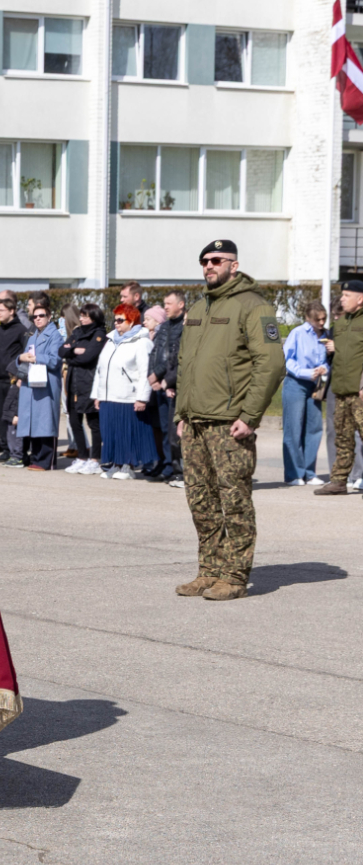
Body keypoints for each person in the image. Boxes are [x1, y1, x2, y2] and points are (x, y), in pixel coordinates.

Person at [174, 239, 282, 600]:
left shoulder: (254, 306)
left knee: (233, 498)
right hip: (194, 422)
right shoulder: (199, 307)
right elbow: (184, 362)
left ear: (234, 265)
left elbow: (271, 364)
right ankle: (209, 570)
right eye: (205, 260)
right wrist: (180, 413)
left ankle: (235, 576)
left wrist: (250, 416)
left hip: (228, 423)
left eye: (217, 260)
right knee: (200, 499)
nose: (209, 266)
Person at [92, 304, 155, 480]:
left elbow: (145, 372)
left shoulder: (142, 342)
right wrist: (98, 394)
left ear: (132, 320)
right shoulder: (110, 340)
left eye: (121, 320)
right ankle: (114, 464)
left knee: (126, 432)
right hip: (108, 395)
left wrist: (142, 398)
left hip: (128, 395)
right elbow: (101, 369)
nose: (116, 323)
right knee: (110, 432)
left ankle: (128, 465)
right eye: (115, 319)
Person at [316, 278, 363, 495]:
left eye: (346, 296)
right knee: (342, 438)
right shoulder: (341, 324)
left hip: (359, 391)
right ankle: (339, 481)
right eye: (342, 295)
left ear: (360, 298)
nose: (342, 299)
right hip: (341, 390)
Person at [281, 301, 329, 486]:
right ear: (308, 318)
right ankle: (294, 473)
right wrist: (306, 372)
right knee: (293, 429)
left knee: (314, 427)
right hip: (296, 383)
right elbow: (287, 359)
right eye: (318, 319)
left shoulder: (324, 335)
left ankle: (309, 472)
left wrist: (324, 368)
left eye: (324, 319)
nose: (321, 322)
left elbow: (327, 359)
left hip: (315, 386)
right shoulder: (298, 333)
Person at [15, 298, 64, 470]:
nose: (37, 319)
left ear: (49, 317)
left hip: (47, 384)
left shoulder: (55, 336)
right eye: (34, 316)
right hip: (32, 383)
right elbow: (25, 357)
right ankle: (35, 457)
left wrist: (36, 358)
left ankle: (46, 460)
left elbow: (55, 360)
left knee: (45, 422)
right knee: (34, 422)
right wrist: (19, 359)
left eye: (41, 316)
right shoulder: (32, 336)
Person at [60, 303, 106, 475]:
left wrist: (70, 354)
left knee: (93, 422)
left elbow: (88, 356)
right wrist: (73, 351)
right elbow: (61, 351)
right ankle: (82, 457)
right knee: (74, 421)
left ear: (94, 316)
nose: (81, 318)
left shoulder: (99, 334)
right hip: (73, 382)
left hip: (89, 383)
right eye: (81, 315)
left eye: (85, 316)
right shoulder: (77, 332)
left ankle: (95, 459)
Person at [0, 291, 28, 464]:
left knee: (14, 417)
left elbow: (27, 354)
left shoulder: (21, 330)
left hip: (14, 380)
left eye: (2, 310)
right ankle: (5, 448)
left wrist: (21, 376)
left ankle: (18, 452)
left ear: (12, 311)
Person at [148, 293, 186, 482]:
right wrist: (152, 376)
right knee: (164, 429)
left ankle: (178, 470)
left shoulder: (184, 327)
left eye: (169, 304)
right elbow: (156, 352)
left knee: (175, 432)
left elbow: (178, 357)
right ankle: (168, 465)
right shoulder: (165, 327)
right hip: (163, 385)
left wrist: (168, 381)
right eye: (164, 304)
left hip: (173, 385)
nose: (166, 307)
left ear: (181, 304)